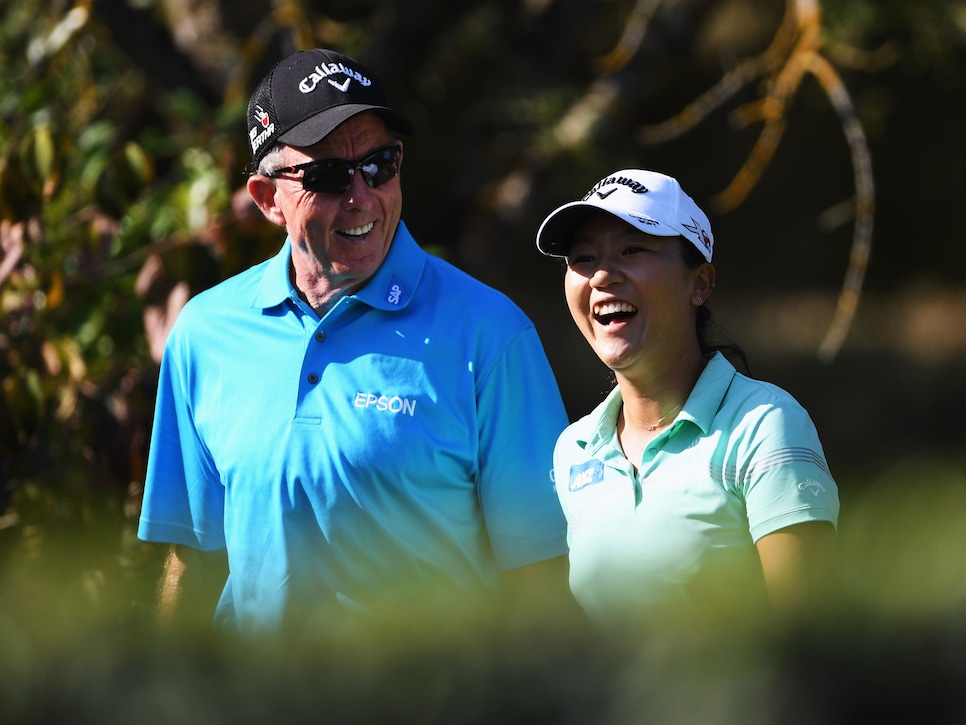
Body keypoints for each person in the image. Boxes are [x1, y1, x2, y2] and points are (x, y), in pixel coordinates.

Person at [137, 48, 571, 636]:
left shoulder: (491, 334)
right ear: (268, 200)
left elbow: (540, 577)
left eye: (380, 165)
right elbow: (193, 557)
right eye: (326, 177)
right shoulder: (204, 332)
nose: (361, 196)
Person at [535, 169, 840, 627]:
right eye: (582, 257)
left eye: (632, 249)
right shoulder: (574, 449)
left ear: (699, 283)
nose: (601, 275)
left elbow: (810, 637)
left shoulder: (765, 424)